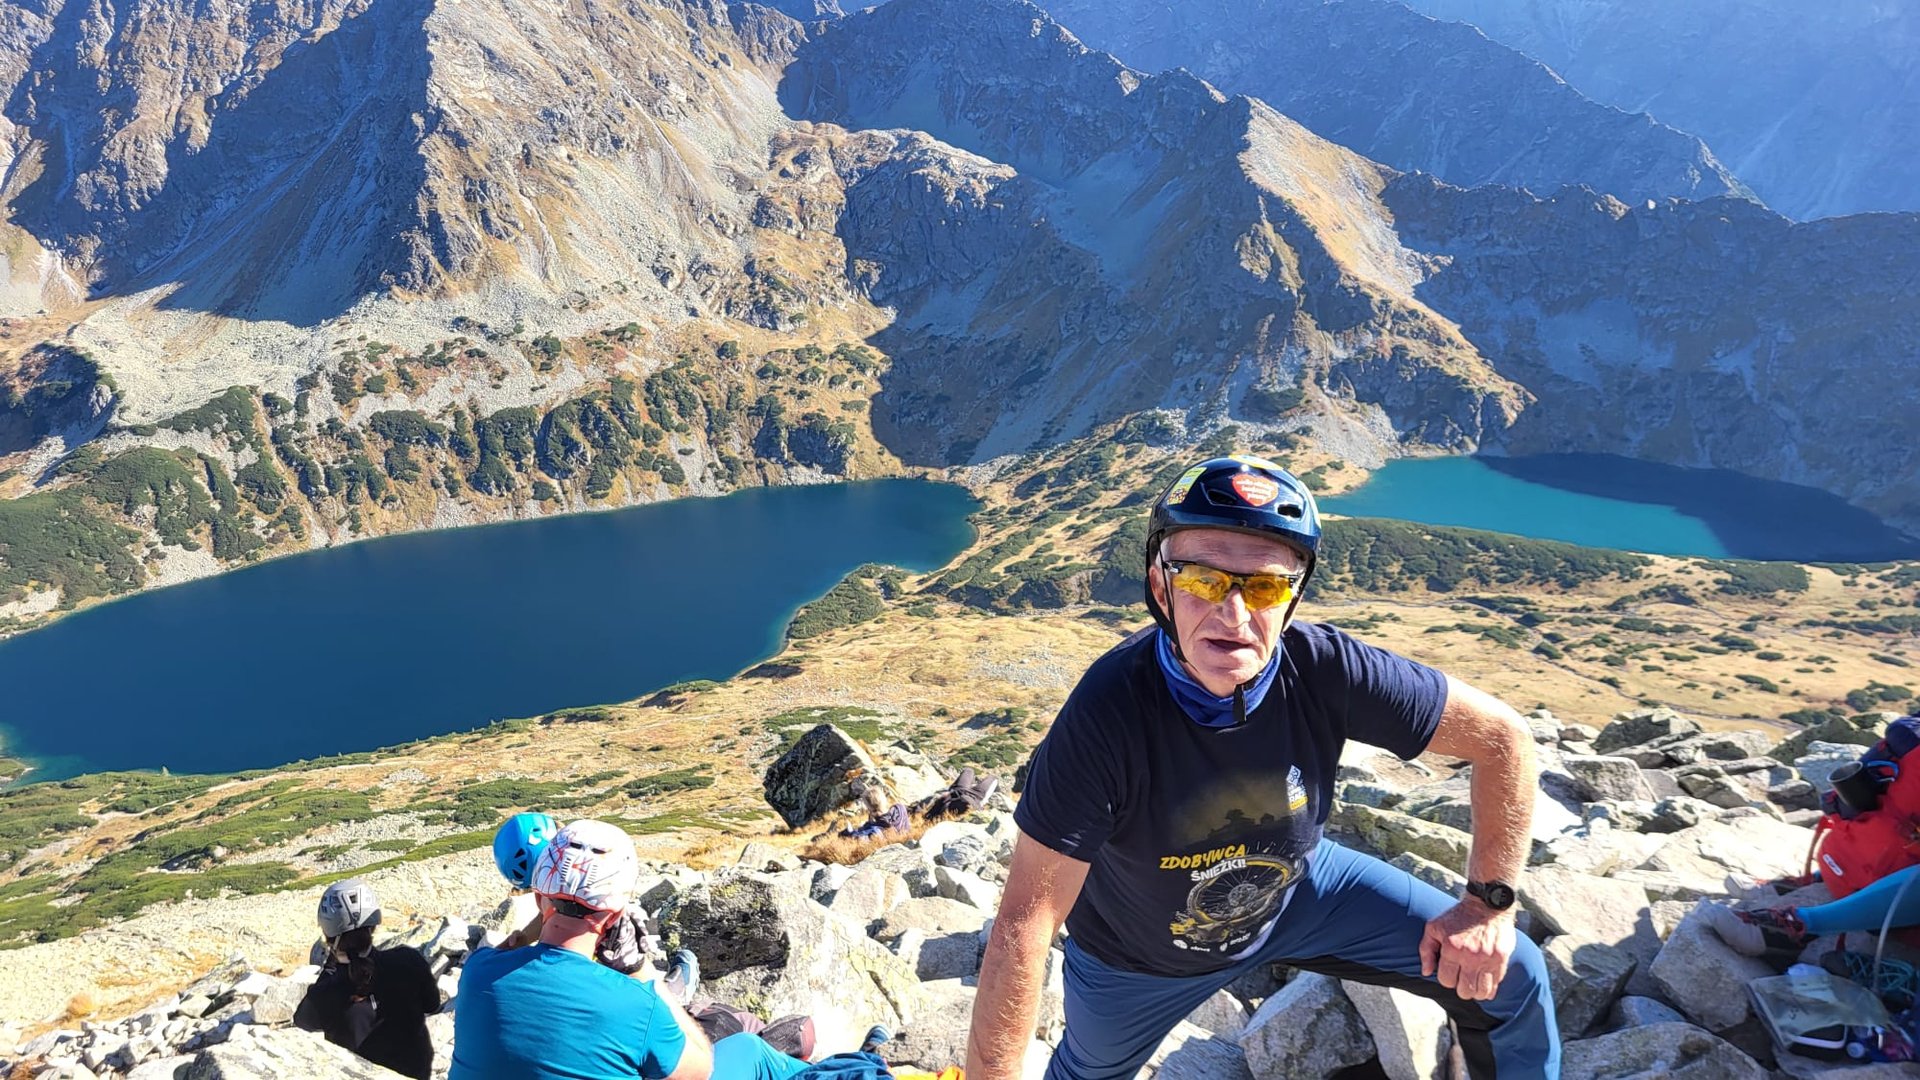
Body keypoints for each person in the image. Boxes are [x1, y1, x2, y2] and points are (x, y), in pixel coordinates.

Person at [964, 454, 1560, 1080]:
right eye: (1202, 579)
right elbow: (1025, 924)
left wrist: (1487, 906)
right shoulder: (1108, 712)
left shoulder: (1329, 668)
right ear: (1161, 585)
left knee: (1510, 973)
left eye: (1266, 586)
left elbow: (1503, 738)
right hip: (1137, 958)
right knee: (1083, 1073)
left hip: (1299, 891)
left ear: (1293, 594)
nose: (1235, 614)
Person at [451, 817, 810, 1080]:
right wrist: (643, 973)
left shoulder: (478, 970)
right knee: (749, 1049)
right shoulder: (637, 1004)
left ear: (539, 896)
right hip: (640, 992)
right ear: (616, 912)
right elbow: (701, 1069)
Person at [294, 878, 440, 1079]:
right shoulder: (409, 960)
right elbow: (432, 1004)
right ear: (372, 927)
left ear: (329, 935)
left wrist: (330, 968)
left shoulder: (325, 993)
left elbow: (303, 1021)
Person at [838, 782, 910, 841]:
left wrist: (848, 832)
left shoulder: (875, 827)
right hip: (905, 838)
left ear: (870, 808)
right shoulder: (900, 808)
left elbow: (856, 836)